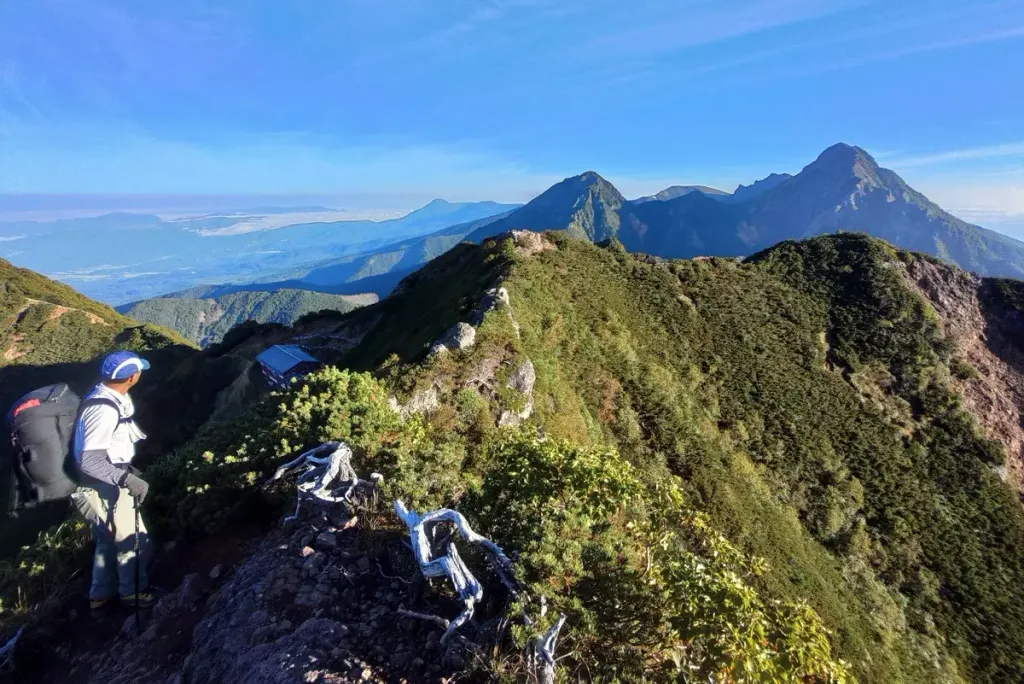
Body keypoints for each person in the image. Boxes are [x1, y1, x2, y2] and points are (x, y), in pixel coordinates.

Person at [71, 350, 155, 613]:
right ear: (132, 377)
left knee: (107, 540)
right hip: (105, 486)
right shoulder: (103, 410)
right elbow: (90, 460)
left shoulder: (109, 395)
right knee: (133, 539)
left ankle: (100, 596)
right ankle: (134, 593)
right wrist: (125, 478)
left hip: (98, 484)